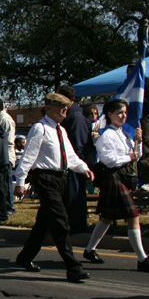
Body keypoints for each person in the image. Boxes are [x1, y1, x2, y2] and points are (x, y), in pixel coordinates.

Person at [13, 93, 94, 283]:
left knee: (44, 222)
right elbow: (28, 156)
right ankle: (73, 267)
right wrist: (20, 182)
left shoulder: (61, 130)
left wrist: (84, 169)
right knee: (60, 222)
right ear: (49, 108)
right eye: (61, 107)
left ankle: (25, 257)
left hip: (61, 178)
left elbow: (71, 157)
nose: (65, 110)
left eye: (67, 107)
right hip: (45, 178)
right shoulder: (40, 128)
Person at [83, 98, 149, 272]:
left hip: (123, 176)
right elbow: (108, 160)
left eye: (125, 112)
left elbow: (135, 155)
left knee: (107, 217)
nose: (123, 115)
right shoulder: (107, 136)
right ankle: (142, 259)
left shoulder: (123, 133)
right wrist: (129, 158)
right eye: (119, 112)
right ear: (110, 114)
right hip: (113, 176)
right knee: (133, 215)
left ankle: (89, 250)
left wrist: (138, 142)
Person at [58, 85, 93, 235]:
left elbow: (77, 145)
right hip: (71, 162)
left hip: (75, 163)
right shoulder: (72, 114)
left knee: (75, 196)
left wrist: (74, 163)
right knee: (70, 196)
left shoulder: (76, 117)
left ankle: (77, 226)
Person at [127, 60, 149, 189]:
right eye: (129, 71)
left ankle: (148, 182)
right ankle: (131, 181)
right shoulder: (126, 85)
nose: (131, 73)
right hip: (129, 119)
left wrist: (138, 103)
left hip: (145, 118)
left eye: (134, 70)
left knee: (147, 149)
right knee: (130, 148)